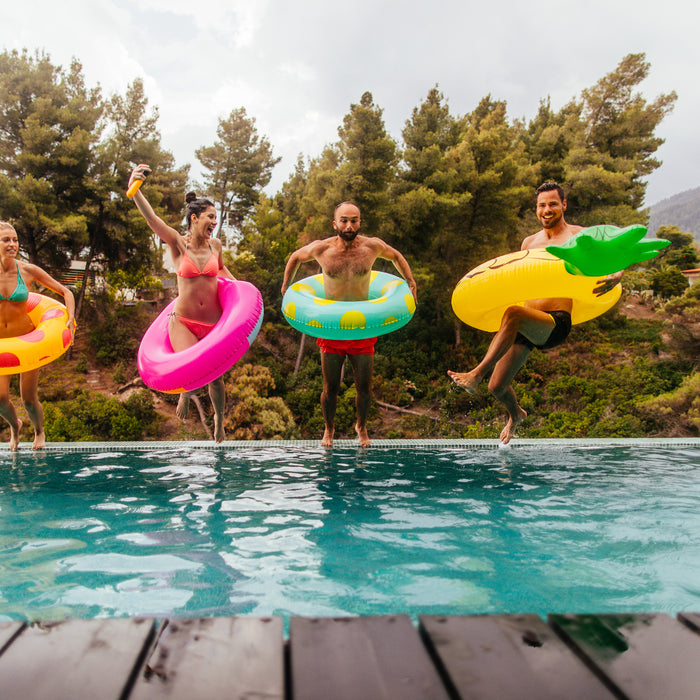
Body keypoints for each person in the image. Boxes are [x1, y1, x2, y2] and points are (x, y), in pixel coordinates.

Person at [447, 182, 622, 444]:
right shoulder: (529, 242)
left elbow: (617, 250)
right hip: (527, 324)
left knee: (514, 313)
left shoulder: (580, 236)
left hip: (555, 322)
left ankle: (476, 374)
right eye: (541, 205)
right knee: (497, 388)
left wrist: (617, 274)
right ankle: (516, 414)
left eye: (552, 204)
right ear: (536, 209)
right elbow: (521, 279)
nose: (546, 210)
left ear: (563, 205)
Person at [281, 201, 417, 447]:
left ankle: (361, 427)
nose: (349, 225)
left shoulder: (371, 246)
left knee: (363, 387)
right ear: (335, 224)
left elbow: (395, 255)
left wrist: (411, 281)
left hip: (362, 328)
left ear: (360, 222)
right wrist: (284, 286)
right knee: (330, 388)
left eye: (354, 220)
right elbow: (295, 258)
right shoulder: (322, 250)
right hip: (332, 329)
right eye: (344, 220)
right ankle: (329, 429)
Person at [128, 164, 237, 443]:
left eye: (216, 218)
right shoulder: (178, 243)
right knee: (189, 368)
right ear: (194, 218)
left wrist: (244, 292)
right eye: (211, 217)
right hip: (184, 322)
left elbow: (223, 272)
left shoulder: (217, 246)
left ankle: (218, 420)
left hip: (213, 323)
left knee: (216, 378)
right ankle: (185, 393)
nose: (214, 222)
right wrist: (136, 189)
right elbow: (152, 220)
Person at [0, 221, 76, 450]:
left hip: (27, 340)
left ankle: (39, 431)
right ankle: (15, 426)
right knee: (0, 399)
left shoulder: (27, 270)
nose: (12, 244)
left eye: (15, 240)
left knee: (29, 399)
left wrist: (70, 317)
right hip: (2, 345)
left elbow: (66, 291)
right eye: (6, 240)